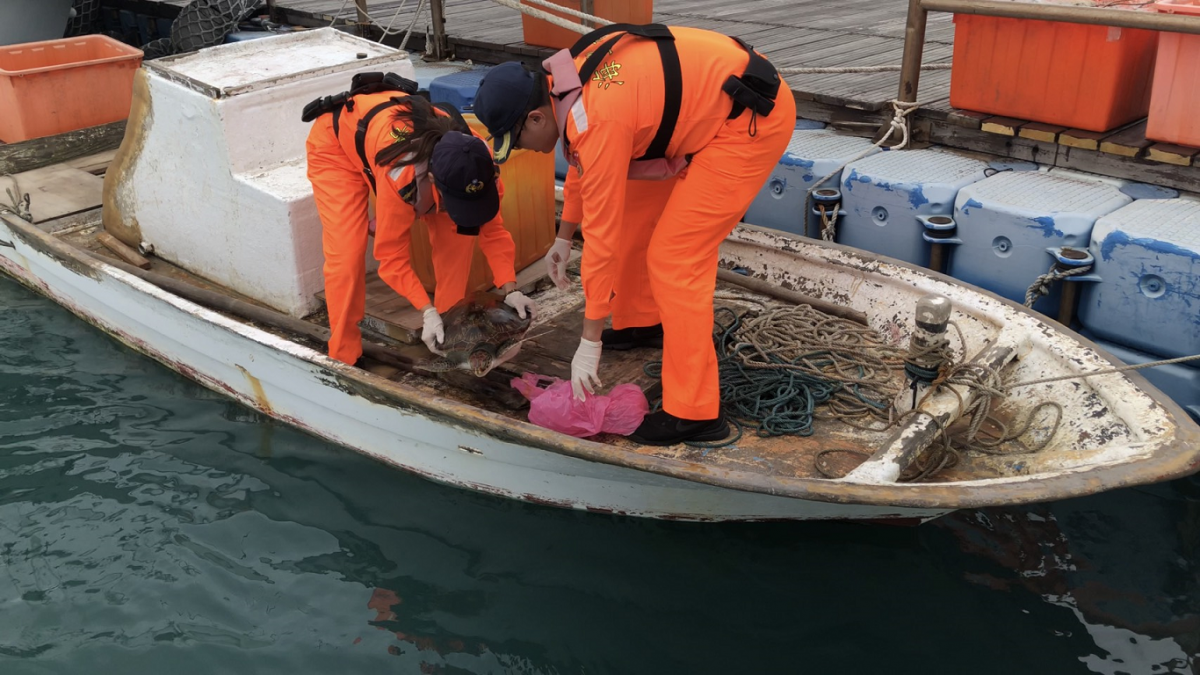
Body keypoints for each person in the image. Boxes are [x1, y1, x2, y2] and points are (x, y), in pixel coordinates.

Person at [472, 25, 795, 445]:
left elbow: (601, 238)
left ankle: (696, 415)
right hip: (703, 105)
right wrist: (564, 235)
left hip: (745, 121)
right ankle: (643, 321)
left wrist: (589, 341)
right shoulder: (564, 86)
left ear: (536, 117)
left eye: (518, 140)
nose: (525, 150)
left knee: (675, 259)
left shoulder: (599, 118)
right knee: (634, 213)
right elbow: (583, 162)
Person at [303, 74, 536, 367]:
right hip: (337, 148)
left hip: (396, 146)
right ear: (431, 182)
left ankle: (450, 344)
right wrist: (425, 310)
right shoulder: (399, 176)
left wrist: (510, 288)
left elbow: (494, 232)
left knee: (459, 242)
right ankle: (343, 355)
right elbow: (390, 258)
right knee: (347, 257)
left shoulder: (479, 163)